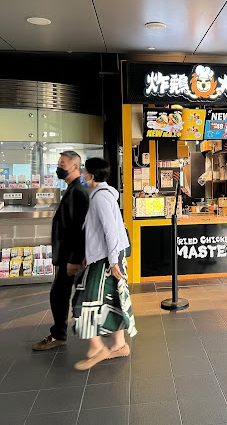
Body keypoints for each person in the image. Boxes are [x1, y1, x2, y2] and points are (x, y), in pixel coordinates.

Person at [72, 157, 137, 370]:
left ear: (90, 175)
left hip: (105, 260)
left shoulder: (100, 197)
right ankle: (118, 345)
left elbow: (110, 230)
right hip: (106, 256)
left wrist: (112, 260)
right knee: (112, 299)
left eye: (84, 170)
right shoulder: (105, 195)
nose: (82, 173)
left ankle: (98, 347)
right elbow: (103, 230)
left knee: (83, 301)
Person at [32, 151, 89, 351]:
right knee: (62, 294)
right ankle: (61, 332)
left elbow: (79, 228)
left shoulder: (78, 191)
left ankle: (59, 334)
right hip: (68, 255)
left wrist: (74, 259)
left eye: (62, 164)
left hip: (71, 257)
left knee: (60, 294)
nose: (59, 167)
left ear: (75, 167)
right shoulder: (73, 189)